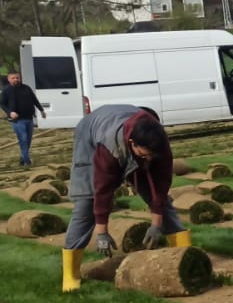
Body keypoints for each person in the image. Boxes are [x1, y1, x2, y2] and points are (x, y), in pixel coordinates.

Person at [60, 104, 190, 291]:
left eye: (153, 156)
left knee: (162, 202)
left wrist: (156, 224)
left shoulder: (158, 144)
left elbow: (160, 185)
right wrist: (102, 232)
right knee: (86, 205)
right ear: (132, 143)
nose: (150, 159)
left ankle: (184, 256)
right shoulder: (108, 147)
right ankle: (70, 276)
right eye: (144, 155)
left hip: (125, 132)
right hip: (90, 136)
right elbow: (103, 190)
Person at [0, 71, 47, 167]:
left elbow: (34, 100)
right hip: (17, 120)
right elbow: (2, 104)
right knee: (23, 139)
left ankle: (22, 158)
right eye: (13, 78)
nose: (16, 79)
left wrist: (41, 110)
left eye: (17, 77)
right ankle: (27, 161)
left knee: (28, 140)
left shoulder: (26, 88)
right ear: (9, 79)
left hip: (29, 118)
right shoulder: (6, 90)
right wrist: (10, 112)